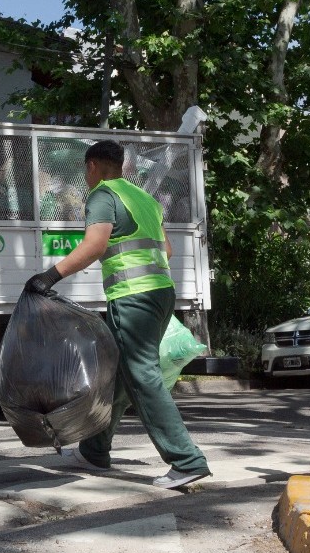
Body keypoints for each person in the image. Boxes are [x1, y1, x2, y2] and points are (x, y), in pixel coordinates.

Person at [24, 140, 212, 490]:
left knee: (141, 376)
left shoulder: (101, 195)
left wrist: (50, 276)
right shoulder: (144, 198)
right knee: (119, 378)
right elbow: (166, 250)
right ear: (122, 164)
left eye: (85, 170)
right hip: (160, 293)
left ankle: (187, 460)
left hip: (133, 298)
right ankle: (95, 450)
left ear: (92, 166)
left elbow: (94, 245)